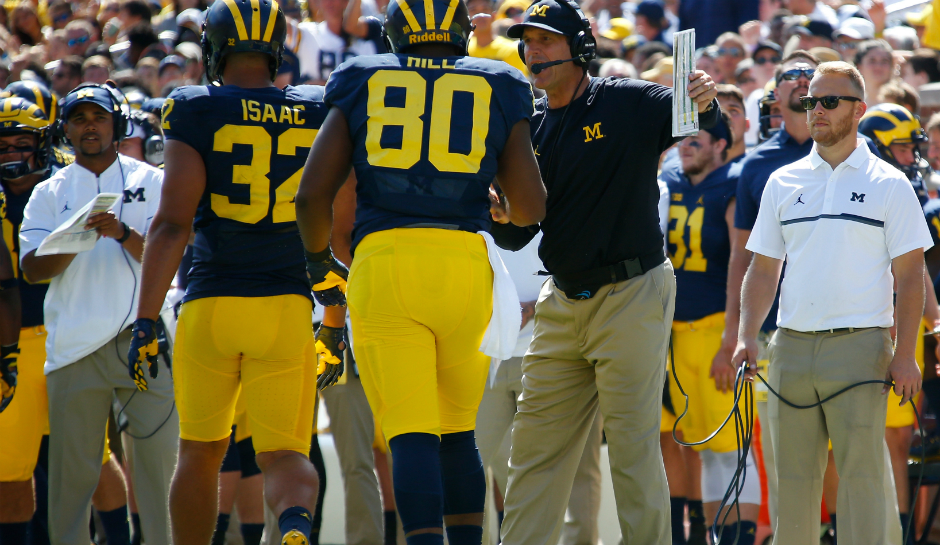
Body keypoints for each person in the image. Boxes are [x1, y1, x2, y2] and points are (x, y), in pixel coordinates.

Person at [294, 1, 547, 545]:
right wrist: (497, 202)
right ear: (460, 32)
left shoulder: (362, 76)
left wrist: (321, 267)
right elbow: (530, 207)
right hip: (464, 265)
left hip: (386, 264)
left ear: (394, 32)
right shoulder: (499, 80)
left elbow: (312, 195)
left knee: (410, 433)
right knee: (457, 433)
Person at [482, 1, 718, 542]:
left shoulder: (627, 100)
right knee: (533, 454)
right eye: (526, 41)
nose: (532, 50)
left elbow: (696, 116)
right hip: (561, 300)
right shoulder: (530, 128)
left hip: (630, 291)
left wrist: (703, 100)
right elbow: (521, 231)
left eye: (545, 40)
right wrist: (497, 213)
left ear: (580, 47)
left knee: (633, 452)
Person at [127, 1, 334, 544]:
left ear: (215, 48)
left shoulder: (195, 106)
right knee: (287, 455)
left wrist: (145, 321)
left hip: (211, 303)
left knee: (200, 452)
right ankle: (292, 526)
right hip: (286, 306)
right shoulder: (315, 108)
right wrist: (334, 316)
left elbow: (171, 225)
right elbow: (334, 221)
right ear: (277, 50)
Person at [734, 60, 931, 545]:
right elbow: (762, 269)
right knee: (794, 486)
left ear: (858, 109)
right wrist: (744, 338)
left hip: (862, 346)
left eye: (828, 101)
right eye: (808, 101)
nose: (814, 110)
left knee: (862, 481)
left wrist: (905, 354)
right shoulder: (783, 181)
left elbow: (910, 278)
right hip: (791, 347)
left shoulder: (891, 183)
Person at [18, 83, 174, 545]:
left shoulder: (153, 179)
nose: (90, 126)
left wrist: (123, 233)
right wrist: (74, 236)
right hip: (73, 348)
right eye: (79, 118)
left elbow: (170, 261)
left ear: (117, 124)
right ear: (64, 129)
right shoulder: (49, 191)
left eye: (99, 117)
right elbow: (31, 270)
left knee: (160, 474)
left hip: (143, 339)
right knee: (72, 484)